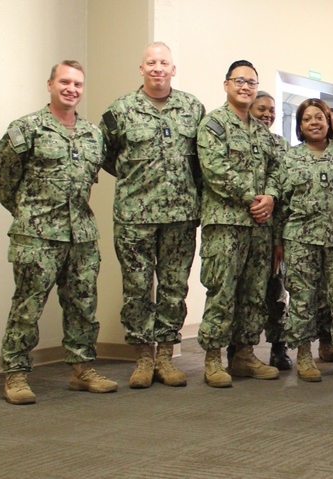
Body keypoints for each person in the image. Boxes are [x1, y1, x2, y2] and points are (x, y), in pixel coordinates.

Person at [0, 60, 116, 404]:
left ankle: (82, 370)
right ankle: (16, 374)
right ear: (50, 84)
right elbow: (4, 183)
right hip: (37, 236)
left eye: (78, 84)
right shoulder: (26, 128)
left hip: (81, 235)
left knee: (83, 304)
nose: (71, 89)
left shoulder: (93, 135)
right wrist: (29, 216)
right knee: (27, 307)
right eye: (64, 82)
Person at [100, 42, 204, 389]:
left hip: (181, 215)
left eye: (164, 62)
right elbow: (106, 154)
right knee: (137, 289)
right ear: (141, 68)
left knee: (174, 288)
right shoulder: (121, 110)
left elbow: (200, 160)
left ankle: (165, 356)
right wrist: (137, 178)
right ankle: (143, 358)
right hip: (134, 215)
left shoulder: (192, 108)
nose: (158, 68)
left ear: (173, 69)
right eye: (151, 62)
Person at [269, 98, 333, 382]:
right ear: (300, 126)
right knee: (302, 300)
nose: (314, 122)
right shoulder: (289, 158)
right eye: (307, 119)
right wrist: (279, 241)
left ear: (328, 122)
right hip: (300, 239)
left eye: (319, 117)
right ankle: (303, 354)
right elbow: (281, 204)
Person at [195, 60, 280, 388]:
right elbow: (214, 169)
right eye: (240, 81)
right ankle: (213, 358)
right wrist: (252, 197)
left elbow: (276, 168)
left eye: (252, 82)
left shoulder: (261, 130)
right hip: (226, 223)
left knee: (254, 291)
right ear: (227, 84)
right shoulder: (214, 124)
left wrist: (270, 195)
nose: (246, 87)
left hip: (259, 225)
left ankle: (244, 354)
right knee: (222, 290)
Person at [247, 90, 292, 371]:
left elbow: (286, 195)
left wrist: (280, 239)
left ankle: (279, 347)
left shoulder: (281, 145)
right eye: (261, 109)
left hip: (276, 229)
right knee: (246, 294)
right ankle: (242, 350)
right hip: (246, 226)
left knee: (276, 291)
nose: (267, 114)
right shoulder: (243, 140)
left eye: (272, 110)